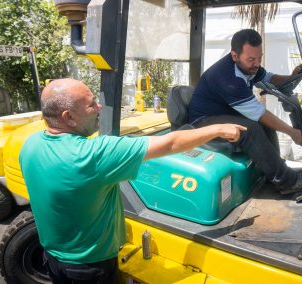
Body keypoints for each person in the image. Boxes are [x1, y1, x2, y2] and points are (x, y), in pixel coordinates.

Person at [19, 78, 246, 284]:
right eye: (90, 105)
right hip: (91, 268)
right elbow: (170, 144)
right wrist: (218, 128)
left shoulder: (30, 144)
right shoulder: (93, 154)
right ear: (68, 117)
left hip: (52, 259)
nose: (99, 107)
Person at [189, 28, 302, 193]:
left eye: (259, 58)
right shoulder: (228, 78)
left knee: (264, 124)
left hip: (223, 114)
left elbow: (270, 78)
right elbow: (260, 114)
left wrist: (291, 77)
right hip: (204, 122)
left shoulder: (248, 67)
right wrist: (292, 132)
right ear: (235, 56)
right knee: (251, 129)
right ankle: (287, 181)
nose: (257, 63)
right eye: (251, 59)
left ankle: (276, 171)